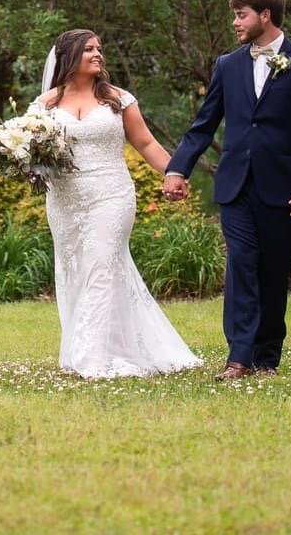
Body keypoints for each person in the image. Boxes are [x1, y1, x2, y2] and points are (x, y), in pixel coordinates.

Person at [163, 0, 291, 381]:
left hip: (284, 191)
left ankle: (266, 359)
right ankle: (237, 358)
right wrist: (177, 168)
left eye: (241, 15)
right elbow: (203, 125)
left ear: (265, 15)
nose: (235, 23)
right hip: (235, 187)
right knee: (241, 266)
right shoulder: (228, 65)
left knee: (273, 274)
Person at [35, 28, 201, 378]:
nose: (97, 54)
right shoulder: (46, 104)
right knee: (74, 270)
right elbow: (35, 154)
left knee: (101, 265)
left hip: (111, 195)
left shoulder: (118, 99)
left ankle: (92, 358)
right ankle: (103, 346)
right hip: (64, 200)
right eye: (88, 50)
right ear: (68, 57)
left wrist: (175, 173)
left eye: (99, 49)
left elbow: (146, 144)